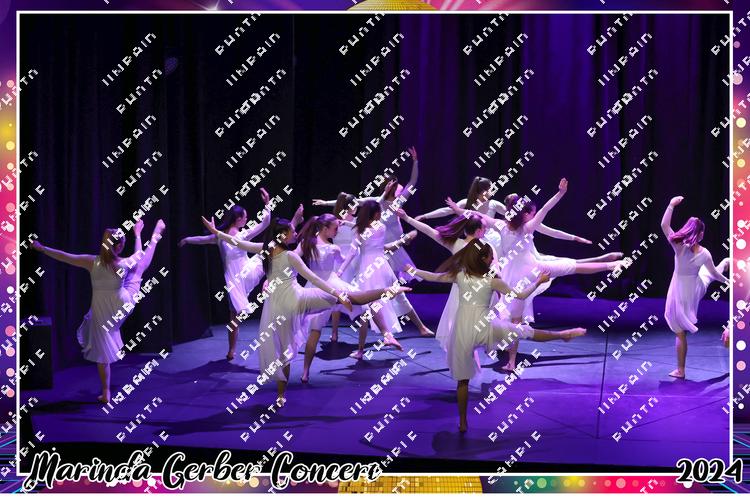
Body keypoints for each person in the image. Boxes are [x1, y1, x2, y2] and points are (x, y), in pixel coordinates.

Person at [201, 215, 410, 404]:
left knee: (282, 350)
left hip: (275, 306)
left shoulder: (267, 249)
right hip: (297, 299)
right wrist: (337, 294)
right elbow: (314, 279)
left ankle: (281, 396)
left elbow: (237, 242)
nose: (295, 234)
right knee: (351, 297)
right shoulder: (290, 256)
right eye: (292, 231)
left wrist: (216, 232)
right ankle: (389, 291)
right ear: (284, 235)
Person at [447, 178, 626, 371]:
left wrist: (457, 210)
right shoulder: (526, 228)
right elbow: (545, 210)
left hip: (515, 278)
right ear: (523, 214)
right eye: (529, 212)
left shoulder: (502, 225)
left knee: (515, 321)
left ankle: (511, 361)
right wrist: (560, 193)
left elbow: (475, 215)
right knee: (572, 266)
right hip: (533, 270)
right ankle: (610, 265)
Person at [407, 240, 586, 432]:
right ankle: (562, 335)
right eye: (491, 257)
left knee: (463, 381)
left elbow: (433, 277)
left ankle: (463, 422)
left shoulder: (461, 276)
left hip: (463, 330)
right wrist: (538, 282)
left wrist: (413, 271)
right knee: (524, 331)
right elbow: (520, 295)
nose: (493, 260)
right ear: (483, 258)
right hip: (485, 327)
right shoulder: (492, 280)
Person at [32, 218, 165, 403]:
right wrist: (138, 234)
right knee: (140, 268)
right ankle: (156, 234)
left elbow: (65, 256)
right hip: (122, 304)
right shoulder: (123, 263)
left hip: (102, 310)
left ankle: (106, 392)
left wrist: (43, 248)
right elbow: (140, 256)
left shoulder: (92, 262)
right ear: (119, 246)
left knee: (103, 353)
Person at [179, 188, 272, 360]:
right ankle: (231, 350)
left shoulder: (228, 236)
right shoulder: (229, 236)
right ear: (238, 219)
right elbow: (202, 239)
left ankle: (231, 350)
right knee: (234, 318)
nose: (247, 219)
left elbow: (265, 223)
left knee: (233, 318)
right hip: (239, 278)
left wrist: (187, 239)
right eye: (245, 217)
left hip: (242, 276)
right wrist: (188, 240)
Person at [661, 196, 730, 379]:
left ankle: (680, 370)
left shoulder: (679, 246)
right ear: (700, 235)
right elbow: (714, 275)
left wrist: (671, 205)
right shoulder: (705, 253)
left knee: (680, 333)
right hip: (695, 289)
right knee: (709, 275)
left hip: (679, 290)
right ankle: (726, 262)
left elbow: (664, 226)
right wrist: (727, 281)